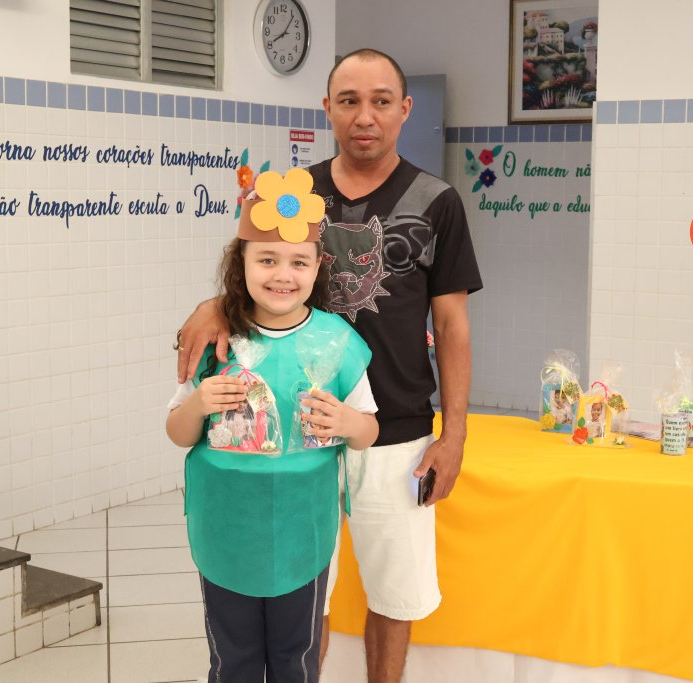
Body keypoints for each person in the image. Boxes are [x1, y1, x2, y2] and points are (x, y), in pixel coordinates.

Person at [177, 49, 483, 683]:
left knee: (393, 592)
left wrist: (453, 435)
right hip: (296, 440)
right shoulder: (295, 193)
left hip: (392, 430)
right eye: (349, 101)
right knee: (301, 593)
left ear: (405, 109)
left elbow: (453, 326)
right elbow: (254, 271)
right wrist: (211, 305)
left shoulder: (438, 201)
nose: (364, 116)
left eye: (380, 101)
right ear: (327, 109)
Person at [166, 168, 379, 683]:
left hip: (302, 531)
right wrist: (199, 403)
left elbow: (368, 431)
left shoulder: (336, 342)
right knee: (233, 659)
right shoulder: (218, 340)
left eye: (298, 262)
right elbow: (177, 431)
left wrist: (348, 421)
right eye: (266, 260)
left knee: (294, 659)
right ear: (240, 264)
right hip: (227, 528)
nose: (282, 275)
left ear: (317, 267)